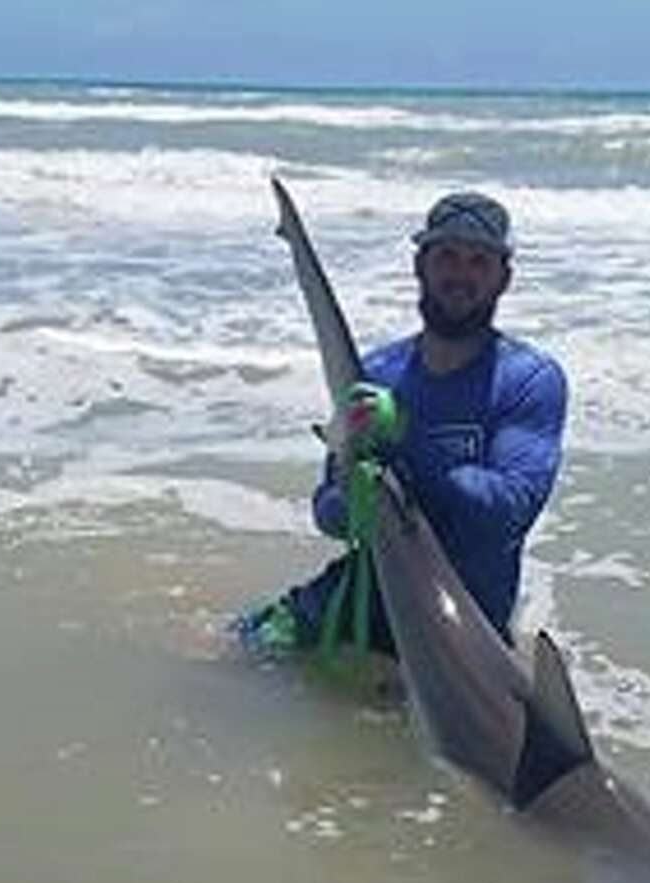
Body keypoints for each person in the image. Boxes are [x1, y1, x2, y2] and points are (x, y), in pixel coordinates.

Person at [235, 190, 567, 656]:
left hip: (462, 626)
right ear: (420, 266)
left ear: (504, 278)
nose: (461, 274)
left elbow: (508, 511)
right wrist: (352, 497)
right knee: (227, 655)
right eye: (447, 256)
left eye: (479, 261)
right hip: (365, 600)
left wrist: (407, 439)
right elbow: (329, 515)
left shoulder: (528, 380)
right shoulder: (376, 374)